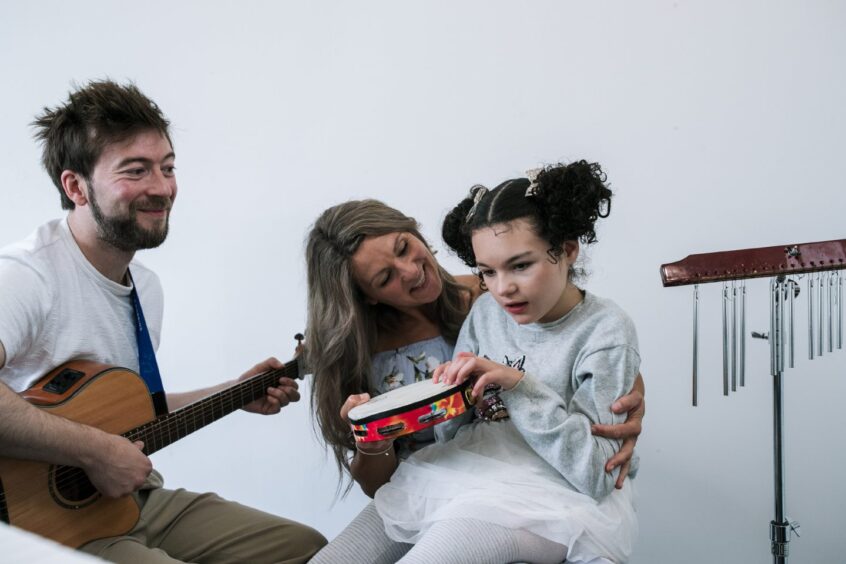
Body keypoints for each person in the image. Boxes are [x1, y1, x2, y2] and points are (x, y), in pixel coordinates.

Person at [0, 80, 326, 563]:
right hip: (42, 526)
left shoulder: (145, 287)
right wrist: (93, 452)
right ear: (76, 187)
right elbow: (99, 441)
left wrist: (234, 392)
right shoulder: (25, 276)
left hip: (132, 500)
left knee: (308, 550)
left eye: (167, 167)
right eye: (136, 171)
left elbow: (127, 412)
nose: (161, 187)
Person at [304, 175, 643, 562]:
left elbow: (597, 471)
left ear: (567, 250)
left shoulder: (605, 328)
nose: (502, 289)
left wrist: (518, 387)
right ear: (367, 297)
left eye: (520, 266)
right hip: (459, 470)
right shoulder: (486, 312)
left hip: (549, 494)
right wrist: (416, 413)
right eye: (488, 272)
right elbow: (452, 432)